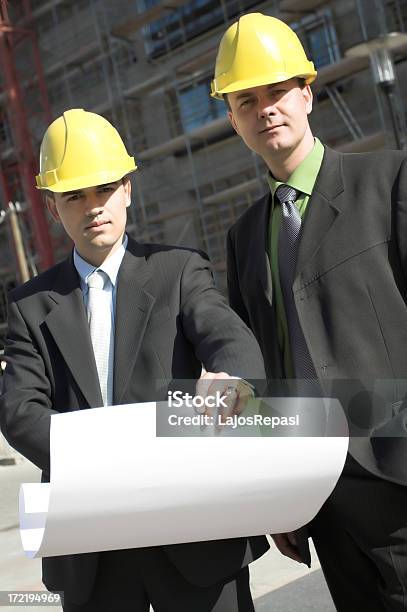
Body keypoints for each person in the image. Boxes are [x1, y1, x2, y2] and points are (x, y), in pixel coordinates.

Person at [0, 108, 269, 611]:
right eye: (74, 195)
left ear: (128, 189)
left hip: (196, 536)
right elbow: (20, 412)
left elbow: (229, 339)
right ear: (53, 209)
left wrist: (230, 380)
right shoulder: (30, 305)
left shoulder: (179, 270)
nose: (93, 207)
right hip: (94, 552)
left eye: (103, 189)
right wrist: (108, 460)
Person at [211, 12, 407, 612]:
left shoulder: (390, 182)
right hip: (322, 499)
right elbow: (262, 374)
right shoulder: (245, 238)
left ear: (307, 94)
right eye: (248, 100)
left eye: (277, 92)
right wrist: (279, 495)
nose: (266, 109)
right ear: (232, 118)